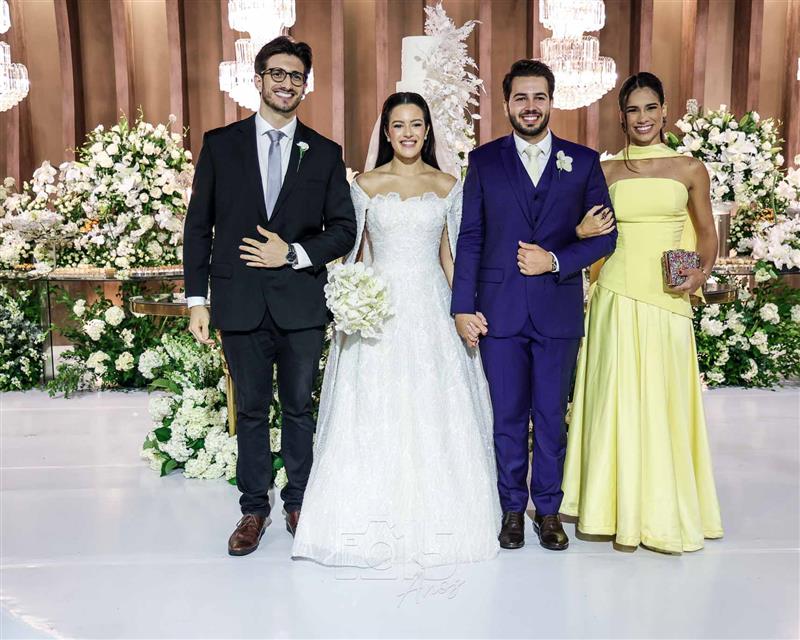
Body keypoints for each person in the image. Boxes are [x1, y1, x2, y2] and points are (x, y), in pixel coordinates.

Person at [292, 92, 501, 567]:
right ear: (386, 132)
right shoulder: (364, 184)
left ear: (427, 131)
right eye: (399, 125)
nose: (408, 133)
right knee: (373, 406)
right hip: (378, 309)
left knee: (434, 407)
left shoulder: (448, 185)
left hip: (431, 306)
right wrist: (350, 301)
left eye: (416, 124)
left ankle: (444, 518)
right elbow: (357, 253)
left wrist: (464, 308)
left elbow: (450, 256)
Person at [183, 36, 356, 556]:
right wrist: (196, 299)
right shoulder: (221, 144)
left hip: (301, 304)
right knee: (252, 410)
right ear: (257, 80)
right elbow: (198, 227)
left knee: (299, 408)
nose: (286, 83)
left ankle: (299, 502)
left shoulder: (324, 152)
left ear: (306, 86)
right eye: (277, 74)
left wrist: (294, 253)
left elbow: (343, 230)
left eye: (296, 76)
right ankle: (253, 510)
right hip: (239, 302)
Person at [451, 59, 618, 551]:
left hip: (557, 311)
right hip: (498, 310)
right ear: (506, 104)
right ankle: (511, 509)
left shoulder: (582, 161)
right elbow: (471, 237)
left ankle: (548, 510)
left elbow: (606, 237)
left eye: (539, 97)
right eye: (521, 97)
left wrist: (556, 260)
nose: (530, 106)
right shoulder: (483, 161)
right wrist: (462, 306)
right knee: (507, 417)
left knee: (549, 418)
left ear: (551, 101)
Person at [561, 72, 724, 553]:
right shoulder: (605, 171)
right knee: (613, 398)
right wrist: (579, 232)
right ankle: (609, 508)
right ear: (622, 116)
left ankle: (661, 510)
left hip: (668, 299)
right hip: (614, 293)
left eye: (650, 108)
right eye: (633, 110)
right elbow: (580, 229)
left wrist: (700, 274)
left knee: (664, 398)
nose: (642, 118)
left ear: (665, 110)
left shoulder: (690, 168)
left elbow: (707, 232)